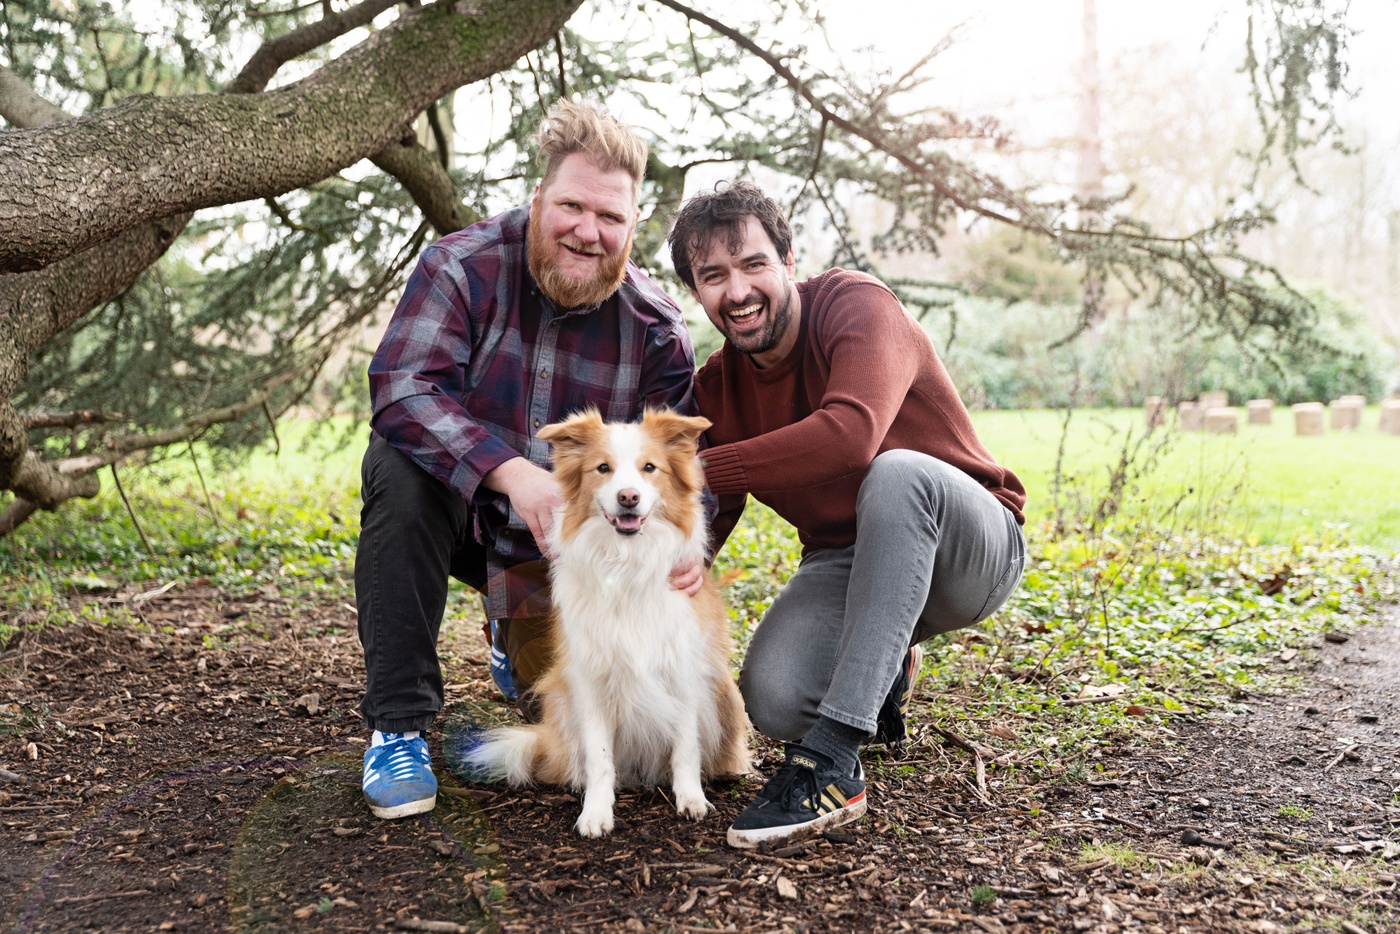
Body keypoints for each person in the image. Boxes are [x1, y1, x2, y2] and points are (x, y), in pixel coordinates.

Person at [355, 100, 705, 820]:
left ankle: (505, 630)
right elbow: (401, 386)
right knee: (397, 466)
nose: (589, 231)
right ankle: (398, 727)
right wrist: (509, 472)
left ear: (633, 227)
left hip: (565, 559)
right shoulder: (460, 266)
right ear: (538, 198)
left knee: (566, 733)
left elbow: (681, 471)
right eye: (572, 206)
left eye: (611, 218)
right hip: (461, 515)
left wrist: (691, 552)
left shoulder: (657, 330)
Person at [667, 181, 1028, 848]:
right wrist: (670, 568)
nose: (737, 291)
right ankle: (885, 667)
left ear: (789, 261)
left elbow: (851, 434)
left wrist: (701, 466)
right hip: (846, 560)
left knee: (897, 473)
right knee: (771, 695)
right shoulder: (717, 388)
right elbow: (708, 513)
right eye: (713, 276)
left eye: (752, 265)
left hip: (970, 547)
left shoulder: (856, 307)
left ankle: (833, 758)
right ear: (697, 293)